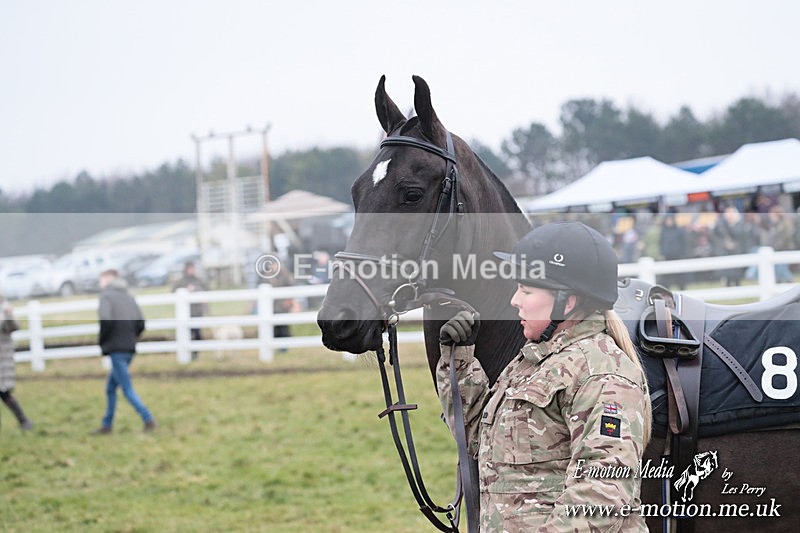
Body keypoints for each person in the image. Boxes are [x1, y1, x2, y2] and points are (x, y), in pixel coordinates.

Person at [437, 221, 651, 531]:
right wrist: (458, 361)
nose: (515, 300)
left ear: (569, 300)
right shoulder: (535, 361)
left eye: (526, 290)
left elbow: (603, 494)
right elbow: (481, 442)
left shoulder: (603, 375)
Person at [93, 269, 155, 434]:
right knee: (111, 388)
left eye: (101, 279)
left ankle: (148, 418)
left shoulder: (106, 296)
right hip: (129, 347)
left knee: (127, 388)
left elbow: (105, 320)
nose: (100, 283)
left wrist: (104, 340)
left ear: (108, 279)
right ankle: (107, 424)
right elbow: (140, 322)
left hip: (116, 348)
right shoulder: (128, 296)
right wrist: (131, 337)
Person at [1, 294, 33, 431]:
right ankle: (24, 421)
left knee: (4, 393)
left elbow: (13, 326)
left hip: (2, 361)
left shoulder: (4, 313)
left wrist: (9, 314)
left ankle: (24, 421)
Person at [173, 261, 208, 360]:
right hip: (186, 313)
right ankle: (187, 354)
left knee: (197, 334)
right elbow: (174, 291)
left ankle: (195, 354)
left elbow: (206, 291)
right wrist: (185, 289)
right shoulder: (181, 281)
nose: (192, 270)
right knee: (186, 333)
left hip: (197, 311)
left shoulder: (198, 280)